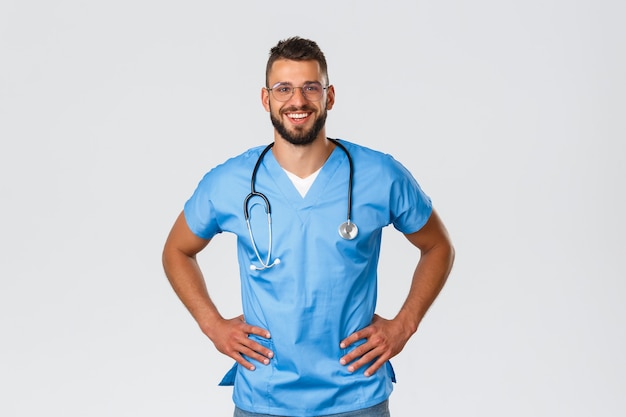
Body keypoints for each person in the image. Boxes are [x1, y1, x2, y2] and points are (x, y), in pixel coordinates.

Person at [162, 36, 455, 417]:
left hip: (356, 393)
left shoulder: (379, 175)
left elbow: (438, 246)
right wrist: (212, 325)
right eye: (283, 89)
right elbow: (177, 250)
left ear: (329, 97)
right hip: (264, 396)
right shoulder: (230, 181)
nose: (297, 101)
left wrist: (404, 324)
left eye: (309, 88)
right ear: (266, 100)